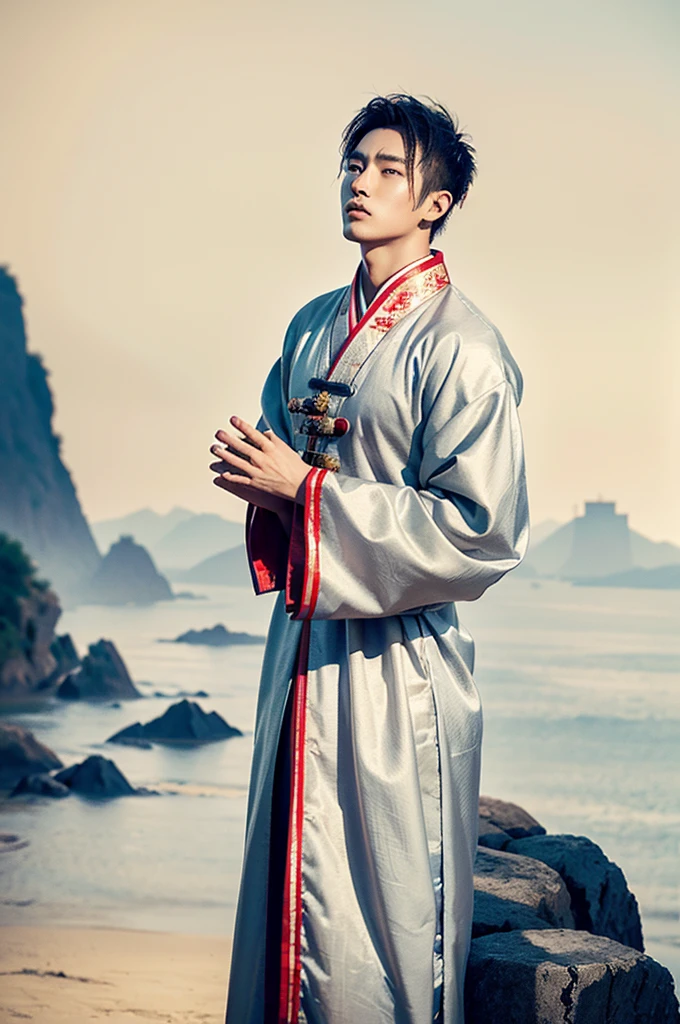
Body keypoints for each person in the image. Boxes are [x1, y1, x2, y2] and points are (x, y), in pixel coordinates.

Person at [211, 93, 529, 1024]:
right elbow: (283, 452)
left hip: (398, 670)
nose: (362, 181)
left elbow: (482, 528)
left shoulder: (465, 348)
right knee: (282, 893)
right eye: (354, 163)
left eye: (389, 169)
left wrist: (306, 496)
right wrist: (265, 483)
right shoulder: (313, 327)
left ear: (435, 201)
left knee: (382, 914)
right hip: (302, 654)